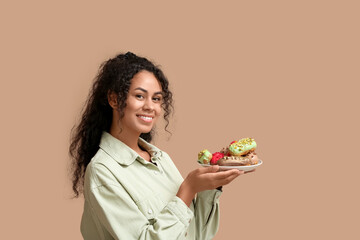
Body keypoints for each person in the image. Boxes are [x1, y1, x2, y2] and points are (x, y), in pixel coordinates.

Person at [69, 52, 247, 240]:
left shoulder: (161, 159)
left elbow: (198, 235)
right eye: (139, 96)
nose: (150, 107)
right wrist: (187, 190)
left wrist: (210, 187)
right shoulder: (102, 170)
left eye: (156, 99)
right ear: (114, 100)